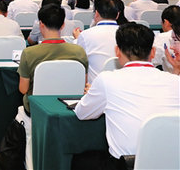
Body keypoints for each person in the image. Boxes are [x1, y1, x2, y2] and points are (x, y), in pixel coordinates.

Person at [74, 23, 180, 169]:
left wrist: (94, 93)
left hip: (126, 165)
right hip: (172, 162)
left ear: (117, 51)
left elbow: (81, 113)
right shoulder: (175, 81)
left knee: (80, 160)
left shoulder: (106, 80)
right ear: (153, 52)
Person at [17, 4, 88, 168]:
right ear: (63, 25)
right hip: (70, 109)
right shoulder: (79, 51)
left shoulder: (29, 53)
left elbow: (23, 89)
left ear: (41, 24)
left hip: (36, 111)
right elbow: (83, 85)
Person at [73, 0, 120, 83]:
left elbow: (79, 60)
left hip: (94, 86)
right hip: (122, 86)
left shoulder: (86, 35)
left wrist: (77, 39)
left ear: (97, 13)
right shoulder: (127, 34)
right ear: (118, 15)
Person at [152, 5, 180, 74]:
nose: (172, 47)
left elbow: (153, 62)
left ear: (166, 22)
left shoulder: (162, 37)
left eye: (175, 40)